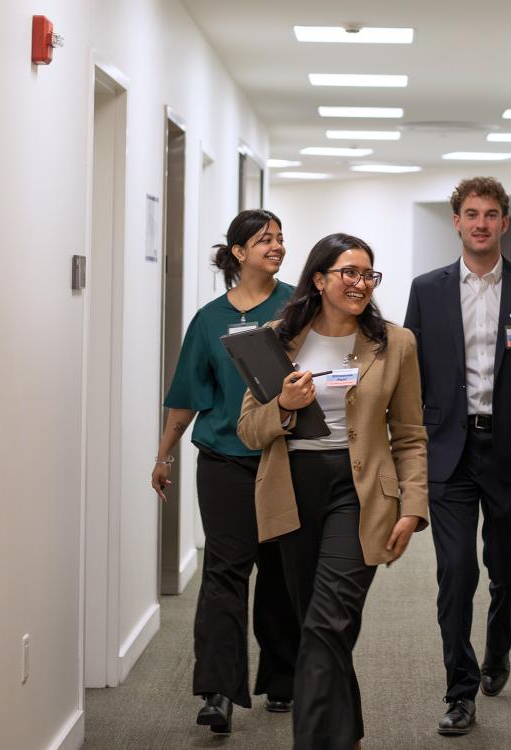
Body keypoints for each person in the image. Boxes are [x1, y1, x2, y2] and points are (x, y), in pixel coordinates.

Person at [238, 233, 429, 750]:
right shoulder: (276, 339)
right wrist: (282, 404)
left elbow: (410, 434)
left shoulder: (396, 343)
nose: (360, 283)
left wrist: (412, 507)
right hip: (293, 489)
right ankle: (347, 736)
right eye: (348, 273)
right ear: (318, 279)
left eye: (368, 274)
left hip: (361, 490)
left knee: (327, 621)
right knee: (318, 627)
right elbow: (249, 430)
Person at [403, 176, 511, 735]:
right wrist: (412, 449)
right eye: (471, 213)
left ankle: (498, 650)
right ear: (456, 221)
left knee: (509, 568)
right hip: (449, 450)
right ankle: (459, 690)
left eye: (490, 214)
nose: (480, 223)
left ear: (504, 222)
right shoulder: (427, 289)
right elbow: (411, 374)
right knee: (455, 571)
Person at [151, 209, 299, 734]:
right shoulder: (210, 319)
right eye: (265, 240)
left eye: (281, 239)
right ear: (238, 252)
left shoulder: (299, 307)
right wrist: (165, 452)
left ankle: (283, 679)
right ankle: (217, 691)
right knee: (224, 575)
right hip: (224, 462)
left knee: (281, 574)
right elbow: (189, 394)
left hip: (286, 460)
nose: (277, 246)